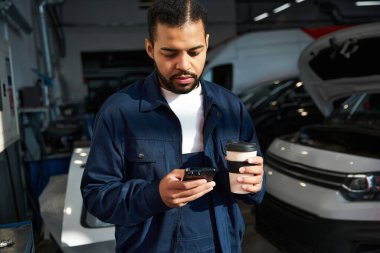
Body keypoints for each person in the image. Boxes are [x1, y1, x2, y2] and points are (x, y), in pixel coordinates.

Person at [80, 0, 265, 252]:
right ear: (150, 48)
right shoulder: (120, 112)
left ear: (207, 44)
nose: (184, 64)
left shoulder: (230, 107)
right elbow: (97, 195)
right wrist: (154, 194)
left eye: (194, 52)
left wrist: (255, 185)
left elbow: (253, 186)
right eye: (170, 53)